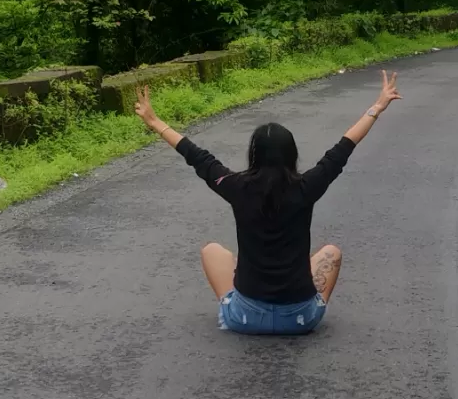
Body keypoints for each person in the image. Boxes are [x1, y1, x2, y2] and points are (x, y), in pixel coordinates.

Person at [134, 69, 401, 334]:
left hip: (245, 318)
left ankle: (240, 308)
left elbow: (197, 156)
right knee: (332, 252)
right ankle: (302, 309)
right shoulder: (308, 186)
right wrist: (377, 106)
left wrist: (154, 121)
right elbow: (344, 147)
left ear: (254, 154)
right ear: (291, 154)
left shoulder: (236, 186)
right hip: (301, 320)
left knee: (212, 250)